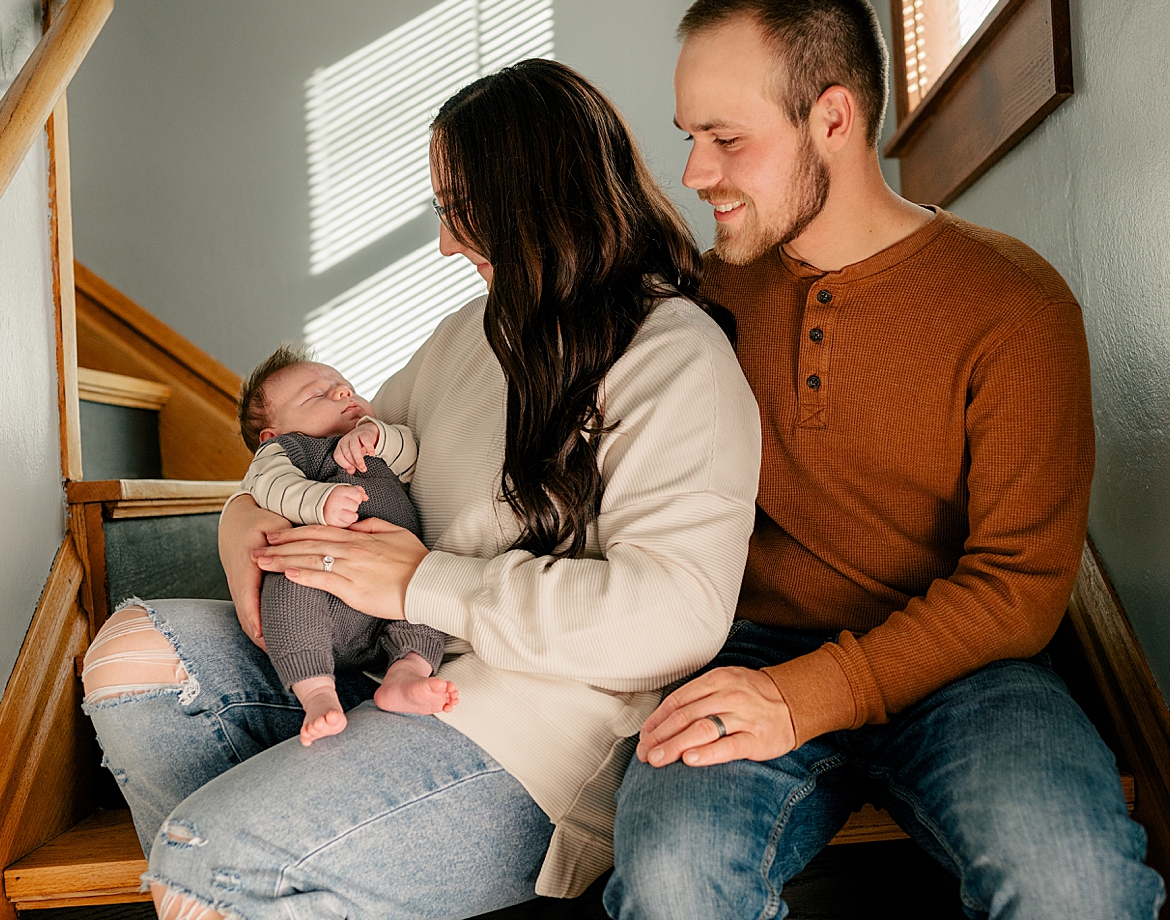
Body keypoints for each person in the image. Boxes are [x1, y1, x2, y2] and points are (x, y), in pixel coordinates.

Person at [79, 59, 762, 918]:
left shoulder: (673, 354)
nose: (444, 243)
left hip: (534, 717)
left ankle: (254, 867)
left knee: (205, 863)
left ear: (536, 200)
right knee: (133, 658)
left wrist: (418, 580)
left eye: (459, 211)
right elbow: (326, 451)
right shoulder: (473, 330)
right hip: (380, 659)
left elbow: (677, 616)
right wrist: (241, 517)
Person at [606, 0, 1164, 920]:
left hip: (967, 664)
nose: (696, 174)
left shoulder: (1013, 304)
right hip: (744, 650)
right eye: (689, 137)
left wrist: (819, 691)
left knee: (1077, 883)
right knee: (670, 882)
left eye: (727, 139)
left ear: (833, 118)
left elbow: (1022, 587)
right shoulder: (696, 301)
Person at [233, 347, 451, 738]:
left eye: (345, 387)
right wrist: (320, 501)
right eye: (316, 395)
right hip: (318, 583)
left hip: (393, 586)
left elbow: (412, 454)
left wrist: (377, 436)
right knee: (289, 581)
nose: (341, 394)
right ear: (274, 433)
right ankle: (317, 692)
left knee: (427, 601)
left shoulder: (373, 440)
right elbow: (267, 485)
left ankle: (404, 676)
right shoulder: (291, 450)